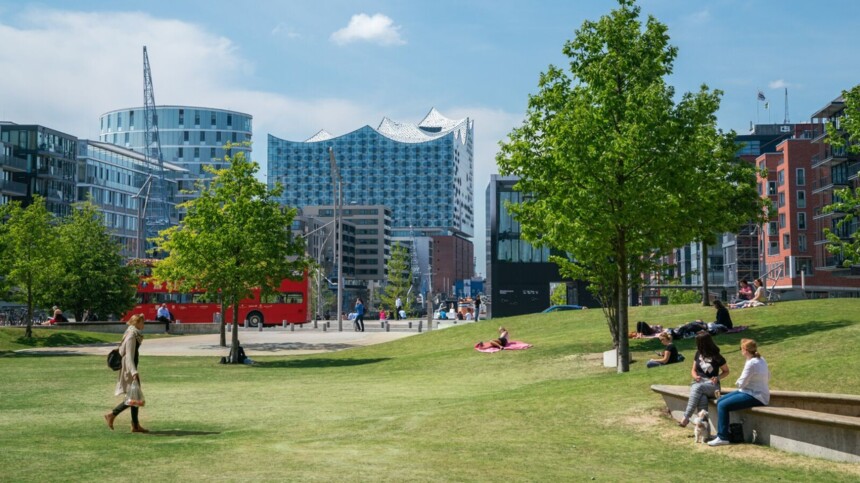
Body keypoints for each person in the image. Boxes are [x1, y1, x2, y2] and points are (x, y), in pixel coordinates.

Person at [709, 339, 770, 446]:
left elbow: (741, 383)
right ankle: (724, 432)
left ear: (745, 350)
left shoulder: (751, 363)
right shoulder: (760, 359)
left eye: (741, 348)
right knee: (720, 401)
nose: (741, 351)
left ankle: (723, 437)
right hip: (750, 391)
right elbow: (768, 376)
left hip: (756, 396)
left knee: (723, 405)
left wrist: (738, 382)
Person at [104, 314, 148, 433]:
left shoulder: (133, 333)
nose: (144, 325)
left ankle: (135, 425)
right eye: (142, 322)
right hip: (129, 369)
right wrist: (134, 372)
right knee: (133, 396)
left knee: (135, 395)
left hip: (131, 367)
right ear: (137, 323)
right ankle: (112, 415)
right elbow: (129, 356)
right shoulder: (132, 336)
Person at [679, 333, 730, 427]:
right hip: (699, 382)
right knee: (702, 397)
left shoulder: (716, 356)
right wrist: (695, 376)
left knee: (698, 388)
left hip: (712, 385)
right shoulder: (698, 353)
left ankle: (686, 417)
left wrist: (717, 377)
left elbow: (726, 371)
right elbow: (693, 370)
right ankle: (704, 428)